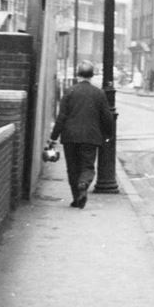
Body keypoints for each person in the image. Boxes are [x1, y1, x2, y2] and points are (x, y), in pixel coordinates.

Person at [47, 61, 114, 208]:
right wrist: (108, 134)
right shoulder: (99, 93)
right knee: (87, 166)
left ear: (78, 75)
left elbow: (61, 117)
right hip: (91, 137)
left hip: (70, 137)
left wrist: (53, 138)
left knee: (72, 168)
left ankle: (77, 198)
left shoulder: (70, 92)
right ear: (92, 75)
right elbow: (107, 117)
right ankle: (84, 184)